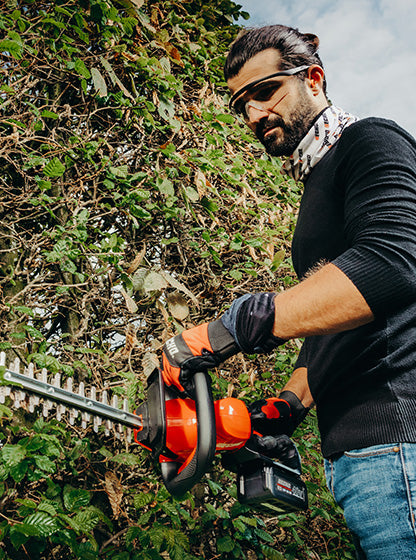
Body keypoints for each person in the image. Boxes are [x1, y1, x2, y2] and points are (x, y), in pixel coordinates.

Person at [160, 25, 416, 559]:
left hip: (399, 441)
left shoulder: (370, 140)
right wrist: (283, 410)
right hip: (361, 458)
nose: (254, 114)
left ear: (314, 79)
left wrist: (234, 326)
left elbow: (394, 263)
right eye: (241, 105)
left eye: (265, 91)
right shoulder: (314, 187)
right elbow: (337, 323)